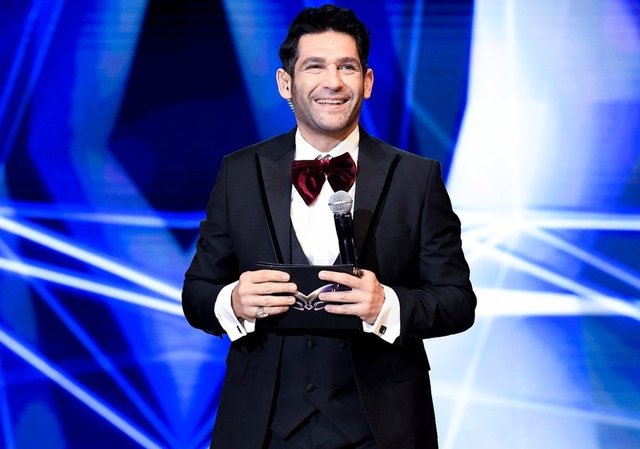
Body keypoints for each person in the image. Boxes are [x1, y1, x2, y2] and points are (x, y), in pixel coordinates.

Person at [182, 4, 476, 449]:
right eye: (314, 66)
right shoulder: (239, 173)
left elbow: (457, 301)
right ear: (286, 83)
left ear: (368, 82)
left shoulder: (416, 178)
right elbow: (197, 293)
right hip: (263, 427)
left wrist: (387, 304)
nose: (333, 82)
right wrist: (234, 301)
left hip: (382, 427)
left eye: (347, 67)